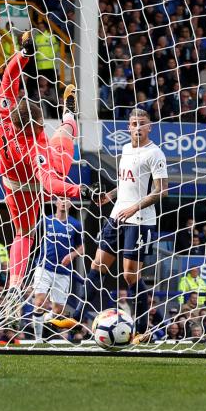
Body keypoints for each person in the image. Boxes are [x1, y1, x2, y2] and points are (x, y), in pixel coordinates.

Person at [0, 32, 87, 297]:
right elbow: (50, 183)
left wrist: (24, 55)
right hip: (40, 180)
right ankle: (69, 112)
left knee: (22, 234)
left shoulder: (2, 118)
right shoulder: (38, 146)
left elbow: (8, 81)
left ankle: (14, 285)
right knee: (66, 135)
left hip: (12, 187)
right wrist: (77, 190)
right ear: (36, 125)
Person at [90, 108, 168, 342]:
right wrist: (110, 196)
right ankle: (75, 316)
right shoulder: (125, 149)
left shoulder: (155, 154)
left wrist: (134, 207)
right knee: (97, 266)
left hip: (140, 220)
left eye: (142, 123)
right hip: (117, 215)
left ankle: (143, 330)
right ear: (128, 127)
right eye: (134, 123)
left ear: (149, 126)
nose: (137, 127)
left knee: (129, 275)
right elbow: (126, 184)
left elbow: (161, 190)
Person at [30, 198, 83, 340]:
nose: (64, 202)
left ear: (71, 204)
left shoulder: (75, 224)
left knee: (58, 311)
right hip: (44, 267)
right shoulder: (45, 221)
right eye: (61, 200)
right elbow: (32, 236)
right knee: (39, 302)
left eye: (67, 200)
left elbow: (82, 247)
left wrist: (72, 255)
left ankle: (45, 318)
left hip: (63, 271)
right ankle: (38, 339)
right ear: (55, 203)